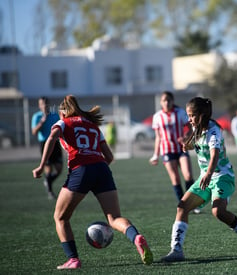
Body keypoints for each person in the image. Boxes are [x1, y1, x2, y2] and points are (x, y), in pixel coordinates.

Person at [32, 95, 153, 269]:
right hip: (102, 169)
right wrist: (96, 171)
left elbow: (51, 138)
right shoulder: (93, 126)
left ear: (62, 113)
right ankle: (136, 237)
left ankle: (73, 259)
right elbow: (109, 157)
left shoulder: (63, 123)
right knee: (114, 218)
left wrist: (41, 165)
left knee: (60, 217)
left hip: (80, 169)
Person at [161, 97, 237, 262]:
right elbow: (200, 145)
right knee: (182, 207)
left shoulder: (214, 130)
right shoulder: (197, 128)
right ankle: (177, 250)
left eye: (191, 115)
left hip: (222, 176)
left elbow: (214, 155)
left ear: (201, 115)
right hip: (205, 177)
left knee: (218, 212)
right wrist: (188, 146)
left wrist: (207, 174)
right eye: (188, 115)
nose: (189, 119)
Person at [150, 91, 195, 204]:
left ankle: (193, 203)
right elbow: (158, 137)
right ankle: (183, 204)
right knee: (175, 178)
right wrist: (155, 155)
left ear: (173, 101)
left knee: (188, 175)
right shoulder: (157, 117)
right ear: (161, 102)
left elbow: (190, 129)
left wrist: (185, 137)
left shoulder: (180, 112)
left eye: (169, 100)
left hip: (181, 149)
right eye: (164, 100)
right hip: (167, 151)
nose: (166, 103)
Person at [31, 96, 63, 200]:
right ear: (39, 105)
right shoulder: (37, 116)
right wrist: (42, 122)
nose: (44, 106)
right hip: (45, 143)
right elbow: (34, 132)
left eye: (46, 103)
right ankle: (50, 191)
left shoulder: (54, 115)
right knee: (48, 169)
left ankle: (48, 181)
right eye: (42, 104)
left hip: (56, 143)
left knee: (59, 169)